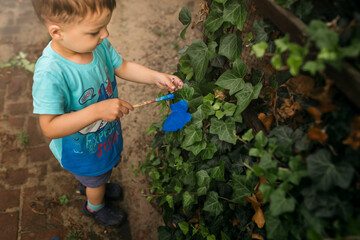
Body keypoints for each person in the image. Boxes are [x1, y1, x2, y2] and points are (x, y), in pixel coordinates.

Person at [31, 0, 183, 227]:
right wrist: (96, 111)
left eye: (105, 25)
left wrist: (155, 77)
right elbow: (49, 126)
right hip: (82, 150)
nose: (105, 33)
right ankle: (94, 207)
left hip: (103, 137)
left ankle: (94, 184)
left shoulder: (97, 46)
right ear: (57, 32)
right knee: (95, 179)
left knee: (101, 173)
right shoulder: (51, 73)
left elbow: (122, 66)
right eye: (95, 30)